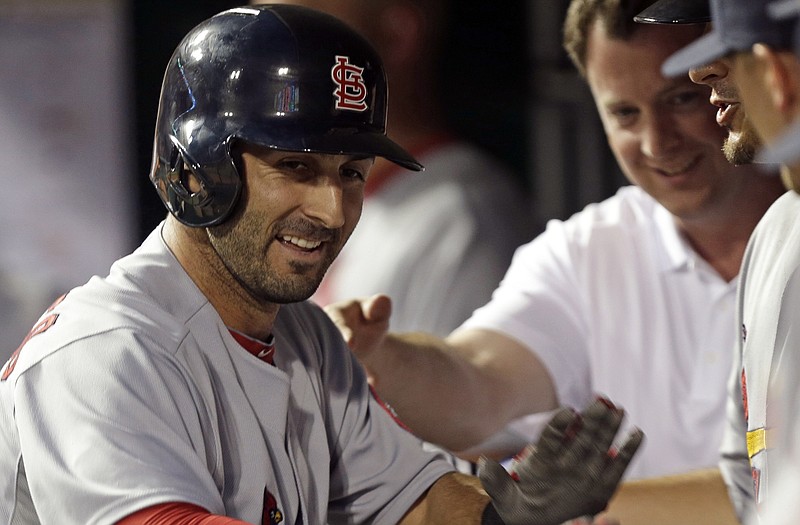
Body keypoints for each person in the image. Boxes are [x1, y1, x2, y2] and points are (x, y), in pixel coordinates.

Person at [0, 5, 643, 524]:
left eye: (352, 173)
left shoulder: (311, 342)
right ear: (198, 171)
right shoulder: (105, 350)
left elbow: (415, 503)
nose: (332, 210)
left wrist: (501, 519)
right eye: (296, 168)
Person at [326, 0, 785, 487]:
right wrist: (379, 355)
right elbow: (477, 379)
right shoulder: (587, 251)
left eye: (681, 99)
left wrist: (561, 514)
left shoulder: (785, 235)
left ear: (733, 73)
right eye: (625, 113)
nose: (657, 143)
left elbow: (761, 494)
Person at [254, 0, 530, 338]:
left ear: (396, 35)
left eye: (295, 39)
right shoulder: (289, 201)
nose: (265, 64)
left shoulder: (465, 224)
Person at [661, 0, 800, 521]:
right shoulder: (776, 231)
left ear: (776, 74)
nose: (701, 71)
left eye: (731, 46)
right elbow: (746, 493)